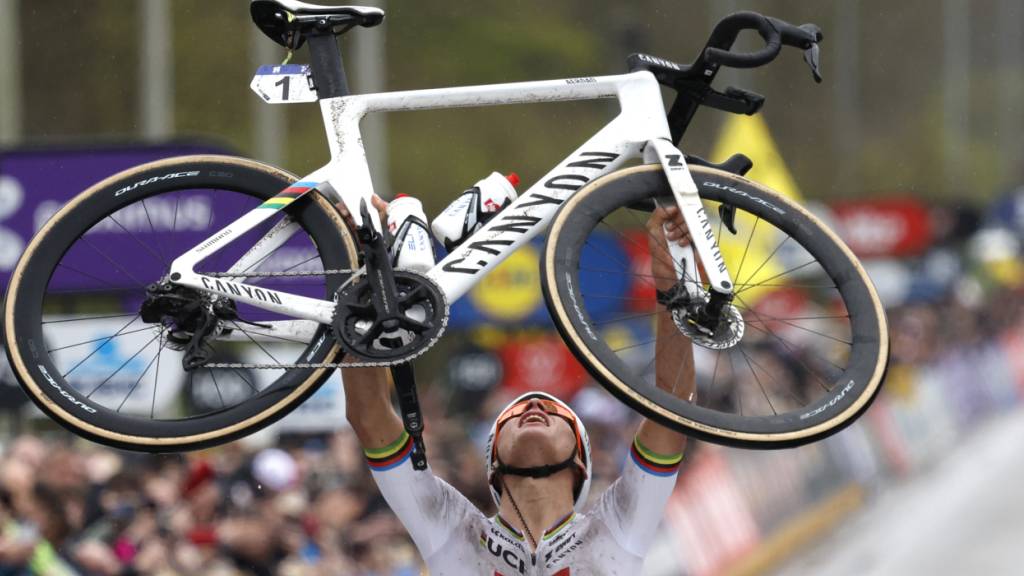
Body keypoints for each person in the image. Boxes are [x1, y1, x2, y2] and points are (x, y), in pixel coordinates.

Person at [341, 198, 695, 575]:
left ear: (581, 461)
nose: (533, 407)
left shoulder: (618, 528)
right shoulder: (450, 530)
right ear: (492, 465)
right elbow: (371, 415)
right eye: (513, 415)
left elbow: (673, 408)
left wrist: (668, 271)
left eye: (553, 412)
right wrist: (362, 264)